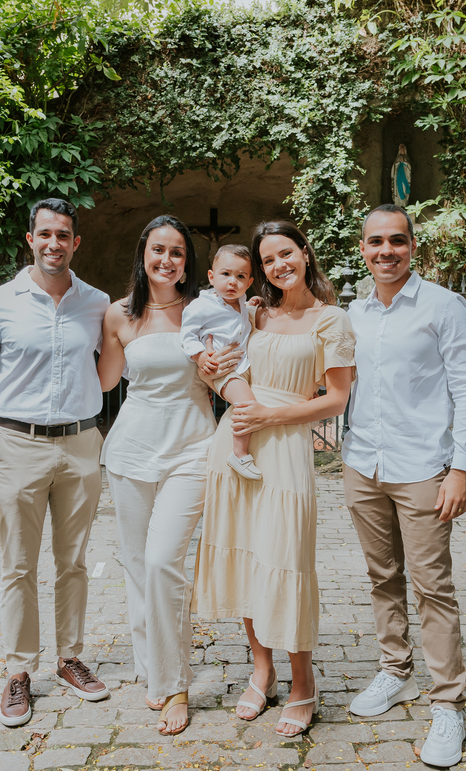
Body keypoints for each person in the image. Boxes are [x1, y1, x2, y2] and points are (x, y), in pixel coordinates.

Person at [193, 220, 355, 738]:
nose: (278, 265)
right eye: (268, 260)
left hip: (284, 444)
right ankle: (261, 672)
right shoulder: (253, 312)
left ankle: (303, 682)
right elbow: (215, 364)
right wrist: (207, 363)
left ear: (305, 254)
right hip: (236, 438)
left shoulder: (332, 320)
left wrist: (268, 416)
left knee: (285, 558)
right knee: (244, 555)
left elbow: (335, 400)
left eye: (286, 253)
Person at [0, 198, 111, 729]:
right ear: (30, 239)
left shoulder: (98, 304)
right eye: (45, 233)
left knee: (73, 561)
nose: (54, 243)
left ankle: (70, 658)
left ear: (76, 242)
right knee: (18, 564)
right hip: (18, 445)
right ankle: (20, 669)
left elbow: (119, 362)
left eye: (63, 235)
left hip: (81, 444)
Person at [340, 204, 466, 768]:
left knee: (432, 586)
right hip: (363, 466)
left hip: (424, 466)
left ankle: (448, 703)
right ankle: (395, 671)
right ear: (362, 248)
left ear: (412, 245)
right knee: (382, 577)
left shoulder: (443, 306)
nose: (386, 251)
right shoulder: (353, 313)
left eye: (396, 241)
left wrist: (461, 467)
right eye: (375, 242)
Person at [97, 215, 216, 736]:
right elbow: (103, 381)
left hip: (193, 448)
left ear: (187, 263)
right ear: (143, 255)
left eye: (177, 253)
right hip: (131, 451)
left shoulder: (204, 309)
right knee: (137, 565)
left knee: (165, 562)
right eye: (158, 250)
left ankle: (176, 684)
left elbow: (237, 353)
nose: (167, 260)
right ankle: (151, 669)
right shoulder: (117, 315)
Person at [179, 244, 262, 480]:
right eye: (226, 274)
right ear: (211, 276)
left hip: (243, 367)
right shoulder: (202, 306)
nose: (232, 282)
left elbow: (239, 320)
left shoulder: (240, 303)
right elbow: (187, 335)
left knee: (249, 403)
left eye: (240, 276)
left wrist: (250, 306)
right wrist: (201, 356)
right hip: (222, 369)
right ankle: (239, 454)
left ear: (248, 281)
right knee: (246, 404)